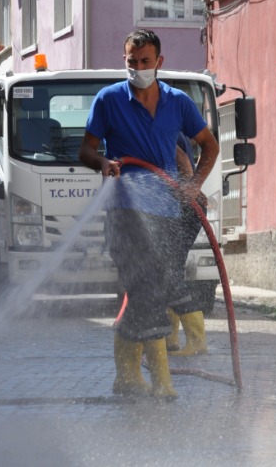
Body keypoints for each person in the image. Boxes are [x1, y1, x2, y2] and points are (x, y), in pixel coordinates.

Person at [78, 29, 220, 400]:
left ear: (159, 62)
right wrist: (104, 162)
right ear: (124, 60)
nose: (138, 68)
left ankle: (127, 377)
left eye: (144, 62)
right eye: (131, 61)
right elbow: (86, 151)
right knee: (148, 293)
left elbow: (209, 145)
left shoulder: (178, 102)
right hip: (125, 209)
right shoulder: (108, 100)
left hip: (165, 210)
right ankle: (161, 382)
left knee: (145, 294)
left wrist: (193, 185)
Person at [165, 134, 209, 357]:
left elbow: (181, 158)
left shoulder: (159, 124)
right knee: (166, 273)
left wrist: (191, 187)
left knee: (168, 273)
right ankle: (170, 338)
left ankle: (196, 340)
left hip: (183, 207)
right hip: (180, 206)